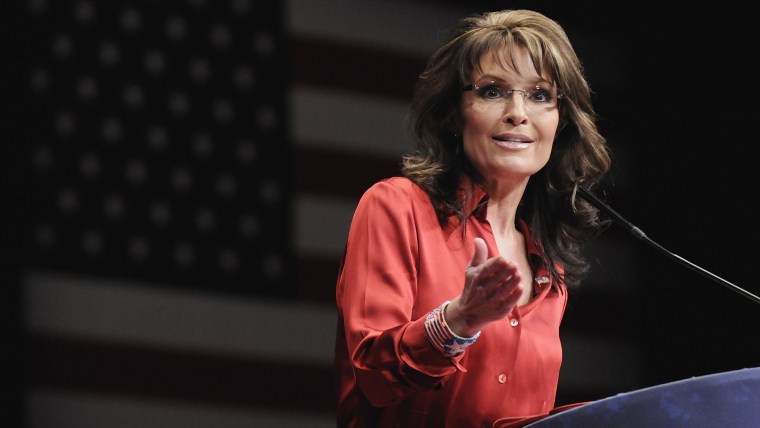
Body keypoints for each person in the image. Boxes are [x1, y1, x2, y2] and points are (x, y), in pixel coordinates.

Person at [334, 9, 612, 428]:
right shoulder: (397, 207)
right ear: (454, 113)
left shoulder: (547, 271)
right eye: (492, 92)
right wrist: (458, 321)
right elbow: (373, 375)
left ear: (562, 122)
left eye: (539, 95)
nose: (518, 112)